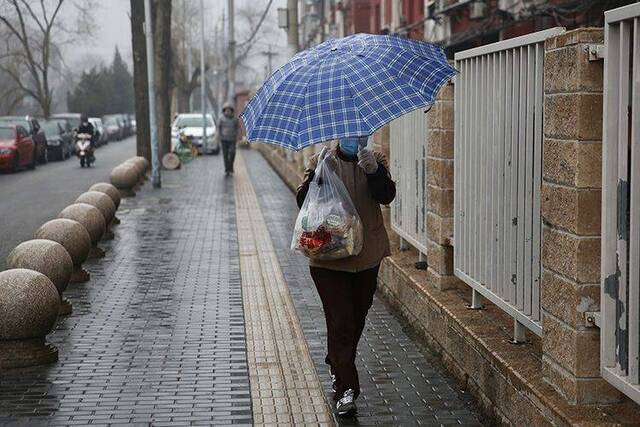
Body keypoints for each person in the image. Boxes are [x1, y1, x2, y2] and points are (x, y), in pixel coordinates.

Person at [296, 137, 396, 417]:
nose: (356, 139)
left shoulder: (375, 160)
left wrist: (374, 170)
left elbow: (386, 196)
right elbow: (302, 203)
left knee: (356, 319)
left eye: (361, 133)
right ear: (339, 134)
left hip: (367, 257)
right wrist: (317, 177)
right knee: (341, 322)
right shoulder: (321, 161)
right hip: (329, 259)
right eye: (351, 134)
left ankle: (336, 360)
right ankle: (346, 389)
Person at [217, 102, 240, 175]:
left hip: (232, 139)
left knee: (232, 153)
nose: (228, 112)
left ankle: (231, 167)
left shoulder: (235, 119)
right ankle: (227, 169)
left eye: (229, 110)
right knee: (225, 155)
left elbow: (238, 128)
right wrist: (218, 136)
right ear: (224, 111)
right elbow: (219, 128)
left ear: (232, 111)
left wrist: (238, 135)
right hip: (224, 139)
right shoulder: (221, 119)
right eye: (226, 110)